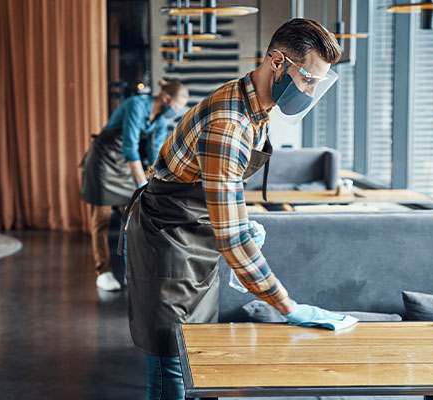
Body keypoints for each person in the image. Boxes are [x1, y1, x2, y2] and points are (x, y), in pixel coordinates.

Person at [122, 19, 348, 399]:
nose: (311, 91)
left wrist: (239, 219)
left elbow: (219, 191)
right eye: (309, 78)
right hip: (169, 241)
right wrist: (286, 304)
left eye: (317, 84)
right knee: (172, 366)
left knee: (192, 356)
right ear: (277, 61)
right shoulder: (230, 123)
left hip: (194, 236)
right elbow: (232, 238)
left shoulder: (255, 103)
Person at [80, 80, 189, 291]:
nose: (176, 111)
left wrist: (160, 182)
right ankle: (102, 271)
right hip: (103, 160)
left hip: (124, 164)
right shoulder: (136, 105)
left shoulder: (159, 120)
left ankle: (135, 270)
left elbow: (156, 153)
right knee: (101, 218)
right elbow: (130, 147)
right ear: (166, 98)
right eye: (176, 106)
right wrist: (141, 185)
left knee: (133, 217)